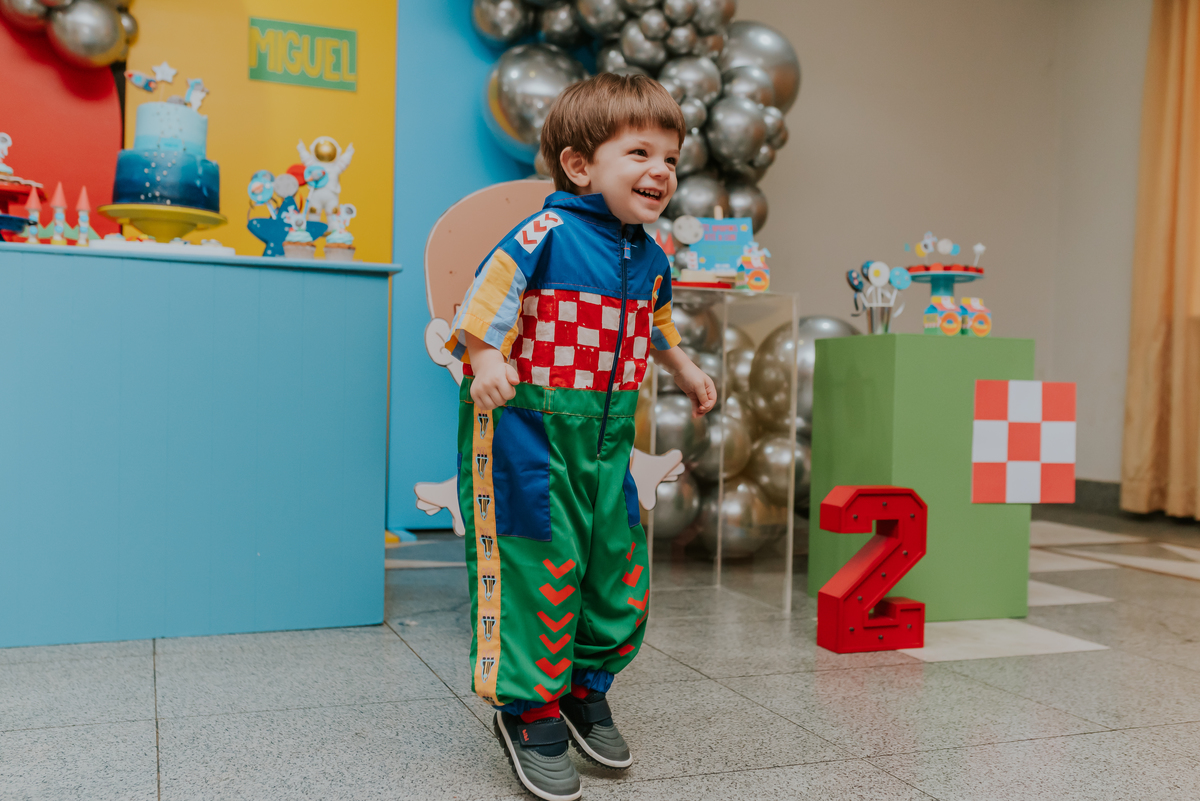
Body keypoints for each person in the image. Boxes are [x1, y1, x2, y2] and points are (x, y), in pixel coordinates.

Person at [447, 73, 716, 801]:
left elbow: (656, 318)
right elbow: (485, 298)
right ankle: (527, 705)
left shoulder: (648, 255)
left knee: (611, 560)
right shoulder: (547, 233)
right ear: (579, 166)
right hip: (528, 432)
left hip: (604, 439)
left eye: (669, 156)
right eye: (638, 152)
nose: (659, 170)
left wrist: (684, 365)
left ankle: (583, 685)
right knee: (538, 560)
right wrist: (487, 357)